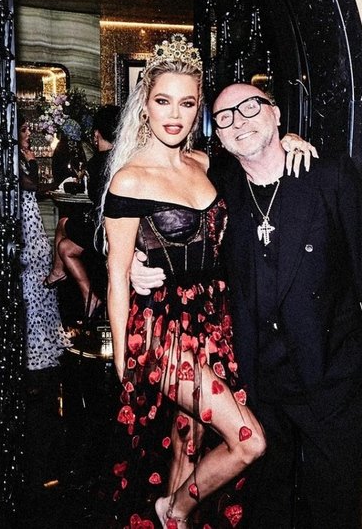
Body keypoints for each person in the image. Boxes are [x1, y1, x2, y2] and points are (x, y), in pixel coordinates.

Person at [131, 82, 362, 528]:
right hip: (258, 384)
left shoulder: (329, 175)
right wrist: (131, 264)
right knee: (266, 511)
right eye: (226, 117)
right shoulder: (219, 191)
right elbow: (147, 213)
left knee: (333, 509)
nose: (240, 121)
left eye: (251, 107)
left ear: (275, 113)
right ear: (218, 136)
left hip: (330, 375)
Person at [99, 35, 268, 529]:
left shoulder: (205, 163)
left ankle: (173, 520)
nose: (175, 114)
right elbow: (116, 276)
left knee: (187, 443)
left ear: (199, 110)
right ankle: (171, 509)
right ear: (145, 105)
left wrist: (291, 140)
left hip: (212, 323)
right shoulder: (130, 178)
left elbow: (258, 160)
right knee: (249, 441)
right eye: (163, 101)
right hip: (162, 331)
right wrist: (124, 362)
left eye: (188, 103)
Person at [44, 105, 121, 319]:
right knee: (65, 247)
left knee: (62, 224)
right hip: (112, 229)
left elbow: (96, 199)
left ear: (96, 134)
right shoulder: (123, 159)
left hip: (104, 232)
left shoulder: (97, 162)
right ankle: (90, 298)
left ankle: (58, 272)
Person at [18, 119, 73, 370]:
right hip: (25, 225)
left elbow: (35, 188)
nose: (29, 133)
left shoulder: (19, 156)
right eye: (24, 130)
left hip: (32, 221)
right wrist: (33, 161)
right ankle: (35, 343)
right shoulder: (15, 157)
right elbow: (29, 184)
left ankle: (48, 337)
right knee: (32, 274)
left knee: (41, 271)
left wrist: (55, 186)